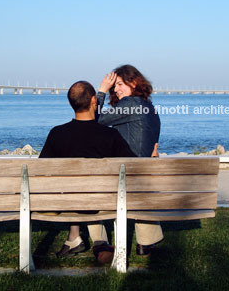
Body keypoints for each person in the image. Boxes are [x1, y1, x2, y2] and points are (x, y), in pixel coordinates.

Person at [39, 80, 136, 263]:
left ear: (70, 104)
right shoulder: (110, 135)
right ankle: (96, 243)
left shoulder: (56, 134)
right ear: (94, 101)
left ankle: (76, 238)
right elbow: (133, 168)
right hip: (101, 201)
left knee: (75, 189)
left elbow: (41, 171)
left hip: (67, 200)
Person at [96, 64, 164, 256]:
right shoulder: (149, 107)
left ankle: (98, 241)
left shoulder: (130, 105)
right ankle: (146, 240)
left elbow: (95, 118)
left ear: (133, 82)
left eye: (119, 84)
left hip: (127, 175)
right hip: (144, 175)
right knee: (141, 185)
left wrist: (101, 91)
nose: (115, 90)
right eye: (113, 87)